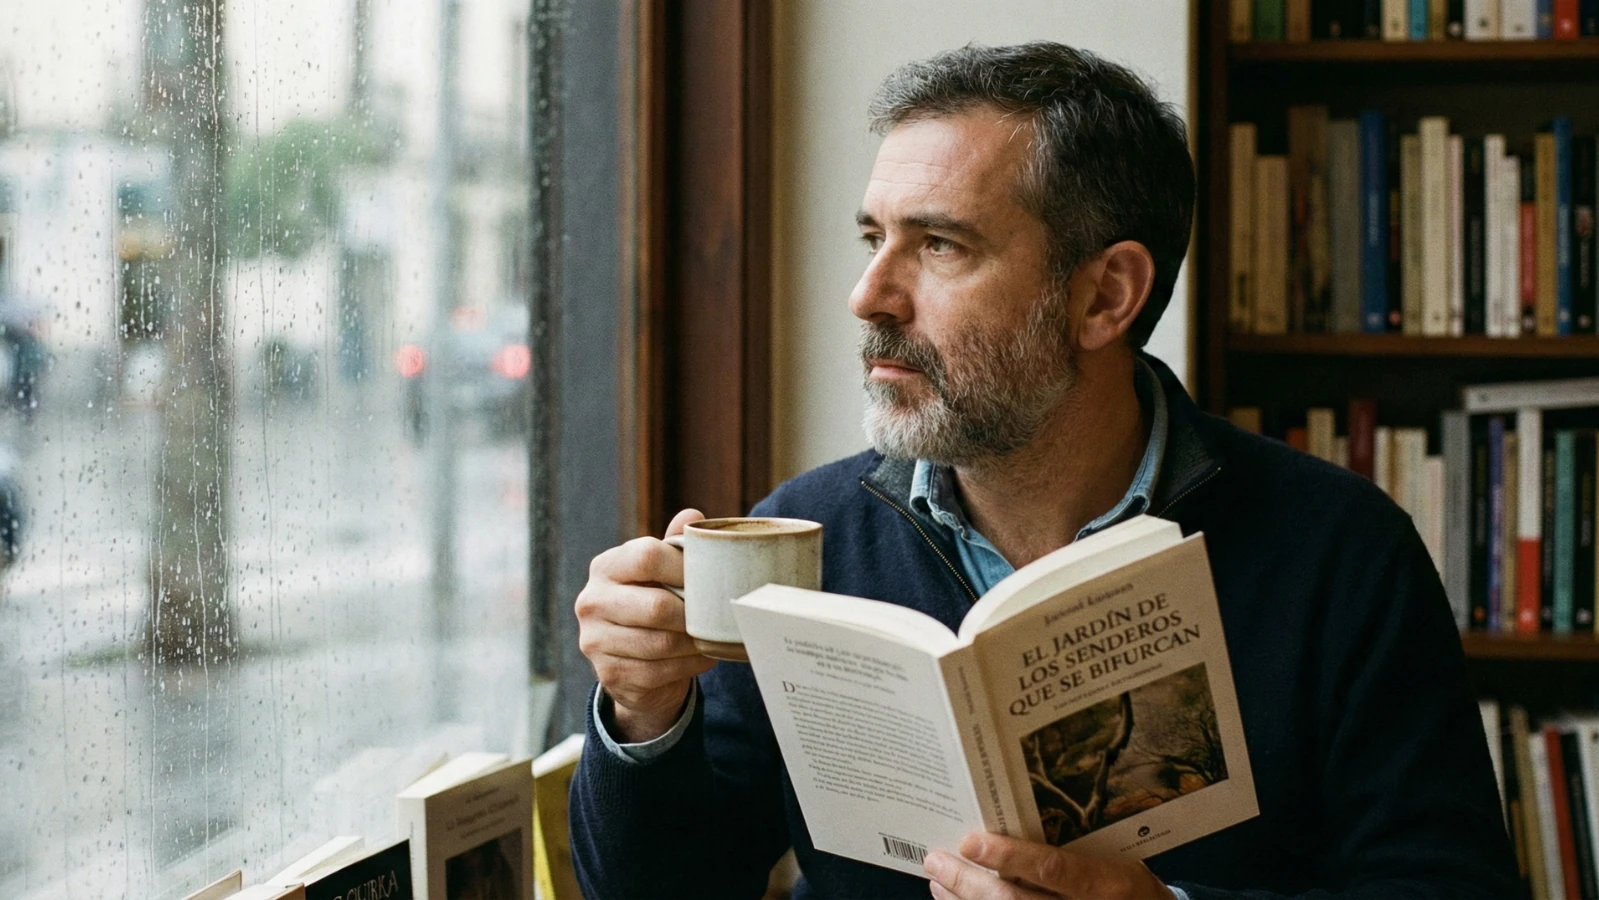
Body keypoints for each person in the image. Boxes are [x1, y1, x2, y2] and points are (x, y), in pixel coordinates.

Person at [569, 41, 1518, 900]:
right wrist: (644, 715)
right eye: (873, 239)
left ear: (1106, 295)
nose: (869, 295)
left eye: (940, 245)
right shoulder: (810, 537)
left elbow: (1448, 885)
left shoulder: (1341, 550)